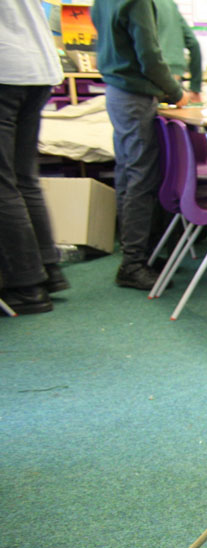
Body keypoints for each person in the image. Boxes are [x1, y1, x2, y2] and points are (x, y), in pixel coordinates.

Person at [92, 0, 196, 291]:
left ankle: (139, 256)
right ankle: (134, 263)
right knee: (141, 177)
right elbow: (148, 54)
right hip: (134, 94)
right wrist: (177, 92)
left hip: (118, 91)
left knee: (128, 174)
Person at [0, 0, 69, 314]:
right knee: (24, 177)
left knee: (4, 183)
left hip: (6, 68)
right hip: (39, 66)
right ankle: (48, 270)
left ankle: (26, 286)